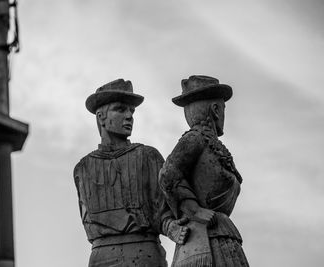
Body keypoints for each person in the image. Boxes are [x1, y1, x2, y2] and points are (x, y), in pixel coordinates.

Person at [74, 79, 189, 267]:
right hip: (100, 257)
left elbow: (163, 210)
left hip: (144, 254)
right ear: (101, 117)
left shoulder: (148, 156)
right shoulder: (82, 169)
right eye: (120, 109)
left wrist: (171, 227)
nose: (129, 116)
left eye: (132, 111)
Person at [159, 75, 249, 266]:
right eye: (223, 108)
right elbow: (168, 173)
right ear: (216, 110)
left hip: (220, 233)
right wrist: (193, 208)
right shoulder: (195, 139)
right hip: (204, 240)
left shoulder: (210, 144)